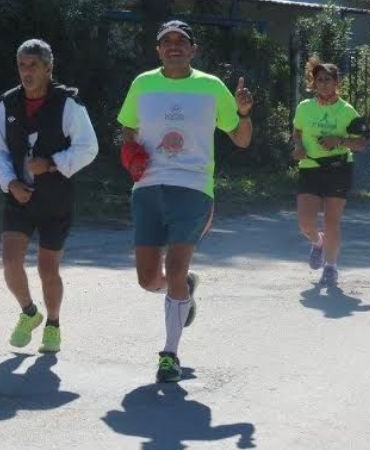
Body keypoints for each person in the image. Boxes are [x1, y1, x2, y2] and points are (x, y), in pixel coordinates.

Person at [117, 20, 253, 383]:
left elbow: (241, 139)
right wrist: (130, 150)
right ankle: (184, 291)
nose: (174, 46)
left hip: (193, 188)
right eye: (167, 42)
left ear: (193, 49)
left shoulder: (211, 87)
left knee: (175, 268)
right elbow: (128, 126)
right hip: (147, 188)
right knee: (149, 280)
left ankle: (169, 354)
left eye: (181, 41)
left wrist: (242, 113)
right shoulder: (142, 83)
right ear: (158, 49)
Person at [0, 39, 98, 353]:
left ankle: (53, 324)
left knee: (47, 269)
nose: (27, 72)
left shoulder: (68, 105)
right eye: (22, 65)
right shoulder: (6, 104)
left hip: (55, 199)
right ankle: (29, 313)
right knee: (10, 262)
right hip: (18, 196)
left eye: (33, 65)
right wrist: (10, 183)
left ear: (49, 68)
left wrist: (51, 164)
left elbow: (88, 148)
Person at [292, 56, 367, 286]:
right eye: (319, 79)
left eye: (328, 79)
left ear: (337, 83)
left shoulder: (347, 111)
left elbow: (361, 143)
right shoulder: (304, 107)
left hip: (338, 168)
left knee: (332, 221)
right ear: (313, 83)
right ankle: (318, 243)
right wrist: (297, 147)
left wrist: (339, 140)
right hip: (310, 166)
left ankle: (331, 267)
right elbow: (297, 132)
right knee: (305, 223)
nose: (323, 83)